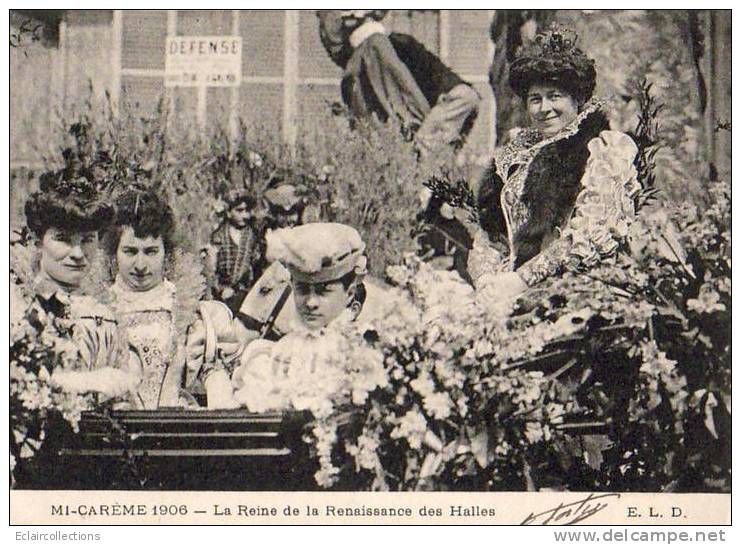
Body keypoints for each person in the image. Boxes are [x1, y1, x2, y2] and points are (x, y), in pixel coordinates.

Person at [468, 26, 642, 300]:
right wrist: (487, 281)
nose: (544, 108)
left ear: (577, 99)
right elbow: (491, 236)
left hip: (575, 288)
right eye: (535, 99)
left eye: (554, 96)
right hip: (507, 287)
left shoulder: (603, 150)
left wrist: (522, 280)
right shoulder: (515, 153)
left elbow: (589, 236)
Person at [104, 189, 245, 410]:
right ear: (114, 254)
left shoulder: (188, 312)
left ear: (166, 254)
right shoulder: (101, 309)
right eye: (130, 252)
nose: (140, 265)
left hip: (175, 428)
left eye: (151, 252)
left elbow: (215, 377)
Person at [230, 223, 380, 411]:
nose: (310, 302)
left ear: (349, 293)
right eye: (302, 290)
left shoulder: (362, 352)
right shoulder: (275, 354)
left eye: (323, 291)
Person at [18, 174, 140, 401]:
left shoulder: (105, 313)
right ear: (37, 242)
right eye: (63, 239)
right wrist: (77, 382)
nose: (77, 253)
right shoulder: (17, 306)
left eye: (87, 240)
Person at [318, 9, 480, 153]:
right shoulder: (369, 50)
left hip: (421, 119)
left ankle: (417, 148)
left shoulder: (392, 45)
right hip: (401, 131)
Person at [209, 191, 261, 311]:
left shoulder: (252, 236)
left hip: (246, 293)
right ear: (228, 212)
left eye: (247, 211)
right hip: (221, 293)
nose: (245, 216)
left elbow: (256, 265)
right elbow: (211, 269)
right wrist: (220, 289)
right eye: (239, 210)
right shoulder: (219, 235)